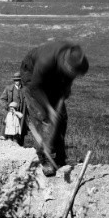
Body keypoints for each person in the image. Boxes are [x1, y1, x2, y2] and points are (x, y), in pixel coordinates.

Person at [20, 41, 89, 177]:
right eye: (70, 71)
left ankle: (60, 157)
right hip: (32, 76)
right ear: (64, 63)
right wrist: (49, 109)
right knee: (43, 118)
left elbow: (70, 77)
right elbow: (35, 87)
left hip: (54, 78)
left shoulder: (79, 61)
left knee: (61, 118)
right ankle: (45, 159)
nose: (73, 74)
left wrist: (65, 91)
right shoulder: (46, 61)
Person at [0, 71, 26, 144]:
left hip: (20, 114)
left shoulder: (25, 89)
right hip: (10, 114)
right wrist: (8, 107)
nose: (16, 82)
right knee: (9, 130)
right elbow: (2, 99)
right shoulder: (9, 89)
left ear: (21, 80)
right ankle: (8, 144)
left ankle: (18, 146)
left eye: (18, 80)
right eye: (15, 80)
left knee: (19, 130)